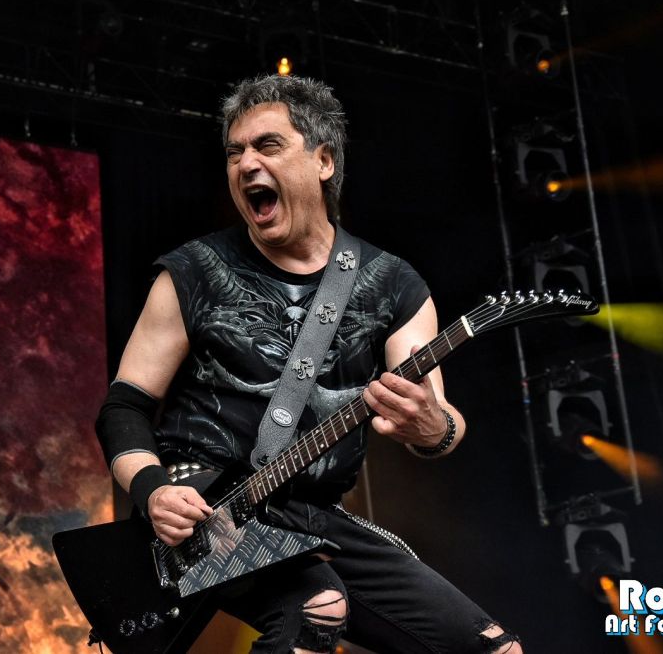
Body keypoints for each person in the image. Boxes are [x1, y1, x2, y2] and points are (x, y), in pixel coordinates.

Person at [95, 74, 522, 654]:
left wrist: (431, 426)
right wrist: (151, 491)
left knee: (496, 650)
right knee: (319, 606)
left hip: (313, 516)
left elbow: (439, 421)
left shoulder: (394, 285)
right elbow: (124, 407)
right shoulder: (193, 272)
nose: (246, 163)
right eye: (235, 152)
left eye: (268, 146)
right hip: (205, 510)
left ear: (324, 161)